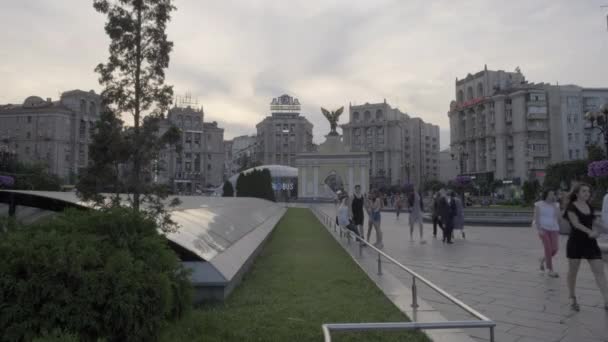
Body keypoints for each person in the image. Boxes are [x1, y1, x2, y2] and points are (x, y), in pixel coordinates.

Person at [563, 183, 608, 311]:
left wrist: (606, 229)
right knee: (573, 272)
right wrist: (590, 232)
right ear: (577, 193)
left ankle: (606, 299)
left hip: (590, 243)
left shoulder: (589, 206)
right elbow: (576, 224)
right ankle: (572, 297)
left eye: (588, 191)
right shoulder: (571, 207)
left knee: (599, 271)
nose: (587, 193)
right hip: (576, 243)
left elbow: (596, 221)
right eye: (584, 191)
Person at [533, 189, 560, 278]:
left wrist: (555, 205)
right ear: (546, 195)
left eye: (553, 194)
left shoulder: (556, 205)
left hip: (554, 228)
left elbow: (558, 217)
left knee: (554, 249)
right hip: (543, 229)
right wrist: (539, 229)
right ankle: (550, 270)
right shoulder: (538, 204)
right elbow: (536, 218)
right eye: (550, 194)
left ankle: (542, 260)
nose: (552, 196)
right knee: (548, 248)